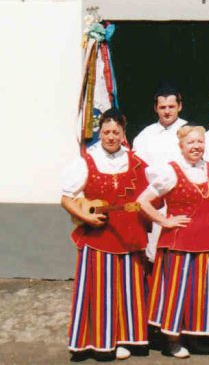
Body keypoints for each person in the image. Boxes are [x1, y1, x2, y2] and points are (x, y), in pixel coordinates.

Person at [61, 110, 151, 360]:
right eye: (107, 132)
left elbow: (150, 195)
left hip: (129, 236)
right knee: (100, 290)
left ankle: (126, 339)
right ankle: (100, 340)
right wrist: (88, 217)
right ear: (100, 132)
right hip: (99, 237)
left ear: (124, 134)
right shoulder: (86, 161)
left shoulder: (136, 161)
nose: (111, 137)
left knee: (128, 290)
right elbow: (66, 198)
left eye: (116, 132)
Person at [137, 125, 209, 358]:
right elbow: (143, 201)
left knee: (200, 293)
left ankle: (195, 336)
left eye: (200, 142)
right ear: (181, 146)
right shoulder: (171, 171)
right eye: (191, 143)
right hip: (180, 243)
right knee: (177, 292)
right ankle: (173, 340)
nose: (196, 146)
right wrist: (164, 221)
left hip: (208, 243)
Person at [131, 83, 187, 262]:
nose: (167, 111)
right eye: (163, 107)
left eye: (171, 106)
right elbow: (137, 168)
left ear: (180, 106)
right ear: (156, 108)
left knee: (182, 248)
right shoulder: (146, 135)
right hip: (154, 200)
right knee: (154, 251)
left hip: (183, 198)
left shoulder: (189, 131)